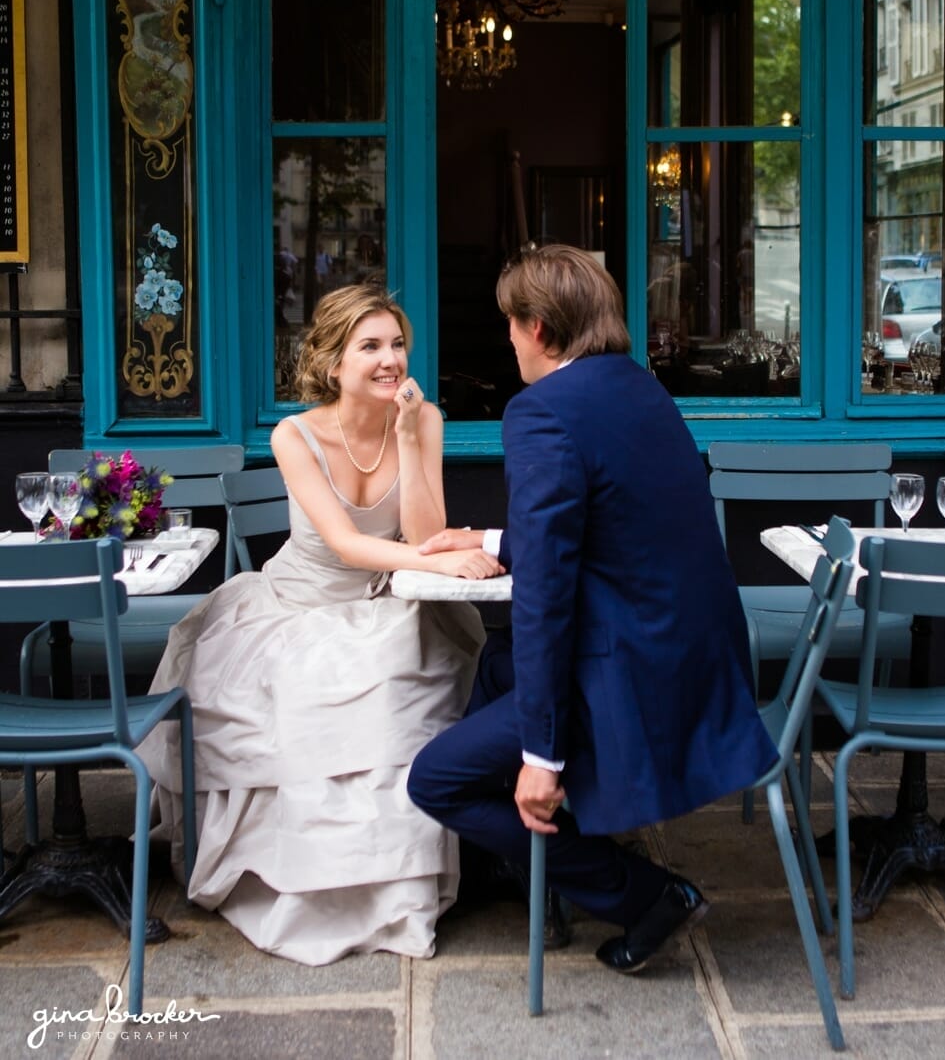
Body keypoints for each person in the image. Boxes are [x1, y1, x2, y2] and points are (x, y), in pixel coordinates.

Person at [408, 244, 777, 971]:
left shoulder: (539, 410)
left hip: (629, 680)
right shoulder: (638, 388)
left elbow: (546, 595)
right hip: (692, 662)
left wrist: (543, 757)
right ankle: (514, 860)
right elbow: (616, 523)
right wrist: (486, 535)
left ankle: (643, 893)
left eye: (510, 323)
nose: (507, 338)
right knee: (497, 662)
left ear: (539, 327)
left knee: (436, 778)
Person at [140, 284, 501, 965]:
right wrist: (448, 563)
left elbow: (424, 530)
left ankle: (398, 893)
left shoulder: (424, 418)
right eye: (370, 346)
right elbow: (344, 543)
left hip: (386, 600)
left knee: (407, 695)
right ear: (334, 362)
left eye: (397, 344)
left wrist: (408, 435)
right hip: (294, 608)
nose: (390, 359)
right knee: (316, 705)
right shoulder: (293, 434)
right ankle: (308, 891)